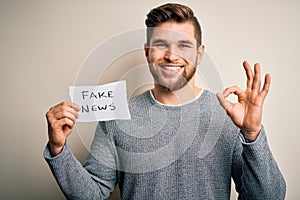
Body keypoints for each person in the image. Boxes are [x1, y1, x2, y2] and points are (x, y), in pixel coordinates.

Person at [44, 3, 286, 200]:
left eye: (184, 45)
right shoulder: (116, 118)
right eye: (161, 45)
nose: (171, 55)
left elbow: (269, 197)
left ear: (199, 54)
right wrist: (58, 150)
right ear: (147, 51)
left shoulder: (229, 117)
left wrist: (252, 134)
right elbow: (92, 194)